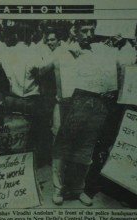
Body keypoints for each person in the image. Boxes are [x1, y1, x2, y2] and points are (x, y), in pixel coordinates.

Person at [51, 20, 118, 206]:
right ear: (75, 31)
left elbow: (108, 76)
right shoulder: (63, 49)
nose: (89, 35)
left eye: (92, 30)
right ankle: (59, 188)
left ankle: (78, 188)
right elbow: (45, 69)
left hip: (91, 106)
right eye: (84, 31)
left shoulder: (100, 50)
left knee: (85, 148)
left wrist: (108, 88)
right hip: (65, 105)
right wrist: (68, 55)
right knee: (61, 148)